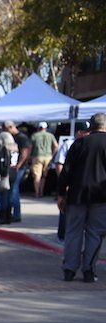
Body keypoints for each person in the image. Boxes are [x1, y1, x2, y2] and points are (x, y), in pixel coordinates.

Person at [58, 113, 106, 283]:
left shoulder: (79, 143)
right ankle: (88, 270)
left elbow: (66, 170)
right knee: (95, 233)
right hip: (100, 196)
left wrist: (61, 193)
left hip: (77, 194)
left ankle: (69, 269)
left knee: (73, 232)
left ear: (91, 126)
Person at [52, 121, 91, 240]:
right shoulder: (68, 144)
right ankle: (62, 235)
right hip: (71, 183)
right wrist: (64, 183)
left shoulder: (89, 143)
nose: (88, 134)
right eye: (86, 132)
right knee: (65, 210)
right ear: (79, 132)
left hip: (84, 185)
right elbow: (59, 164)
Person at [0, 132, 19, 225]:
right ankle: (8, 216)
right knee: (9, 196)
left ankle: (2, 217)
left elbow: (4, 163)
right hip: (13, 173)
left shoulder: (5, 149)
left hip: (5, 175)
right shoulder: (15, 148)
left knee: (3, 197)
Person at [30, 121, 59, 198]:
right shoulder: (50, 135)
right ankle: (41, 192)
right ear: (46, 128)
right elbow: (56, 146)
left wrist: (29, 157)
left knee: (37, 176)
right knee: (44, 176)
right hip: (48, 157)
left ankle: (37, 193)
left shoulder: (34, 135)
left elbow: (30, 147)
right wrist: (52, 155)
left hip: (37, 156)